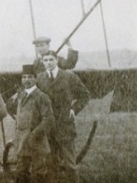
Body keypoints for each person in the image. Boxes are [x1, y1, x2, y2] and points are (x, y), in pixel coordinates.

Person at [36, 51, 90, 183]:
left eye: (51, 60)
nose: (48, 63)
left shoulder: (69, 76)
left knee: (70, 164)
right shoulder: (39, 79)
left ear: (57, 60)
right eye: (45, 60)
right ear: (42, 62)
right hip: (48, 127)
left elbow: (85, 95)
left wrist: (74, 109)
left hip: (65, 125)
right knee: (51, 164)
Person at [6, 65, 54, 183]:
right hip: (22, 141)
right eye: (24, 77)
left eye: (30, 77)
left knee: (39, 171)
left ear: (35, 79)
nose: (26, 80)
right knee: (21, 171)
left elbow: (48, 119)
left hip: (36, 141)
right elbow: (10, 107)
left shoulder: (41, 97)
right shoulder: (21, 96)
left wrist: (34, 135)